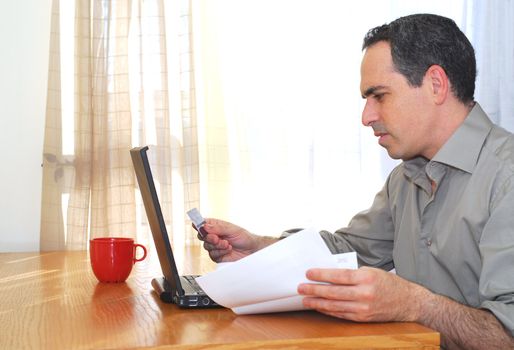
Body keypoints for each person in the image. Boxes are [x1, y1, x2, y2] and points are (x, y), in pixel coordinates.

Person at [199, 14, 514, 349]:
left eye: (379, 95)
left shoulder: (505, 178)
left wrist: (415, 304)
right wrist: (258, 246)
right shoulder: (406, 178)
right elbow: (348, 253)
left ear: (436, 84)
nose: (367, 117)